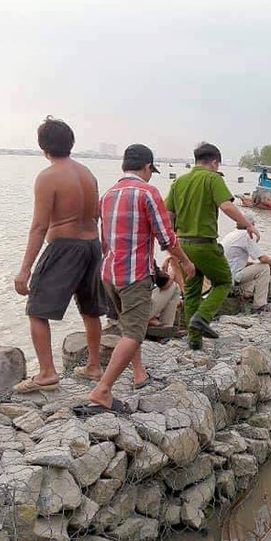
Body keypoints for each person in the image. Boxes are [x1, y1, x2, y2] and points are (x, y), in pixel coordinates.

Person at [77, 144, 195, 415]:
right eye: (151, 170)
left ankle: (139, 373)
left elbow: (105, 239)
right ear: (146, 167)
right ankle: (103, 390)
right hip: (134, 275)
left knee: (129, 325)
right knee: (134, 331)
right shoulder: (148, 192)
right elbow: (167, 239)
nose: (151, 175)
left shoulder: (108, 195)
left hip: (109, 273)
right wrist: (186, 263)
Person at [13, 117, 107, 393]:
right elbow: (97, 215)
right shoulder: (88, 173)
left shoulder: (48, 177)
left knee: (36, 309)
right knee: (91, 309)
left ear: (43, 147)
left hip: (65, 246)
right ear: (71, 143)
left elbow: (39, 226)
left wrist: (24, 270)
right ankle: (93, 365)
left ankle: (46, 372)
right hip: (92, 245)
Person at [166, 142, 259, 348]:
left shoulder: (179, 182)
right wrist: (247, 225)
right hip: (204, 245)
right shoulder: (212, 178)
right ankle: (202, 317)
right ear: (215, 162)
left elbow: (168, 216)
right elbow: (226, 205)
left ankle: (194, 340)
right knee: (224, 281)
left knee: (191, 290)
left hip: (182, 245)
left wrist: (171, 243)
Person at [221, 218, 271, 312]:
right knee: (264, 267)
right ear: (251, 226)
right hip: (232, 276)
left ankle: (247, 293)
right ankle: (260, 305)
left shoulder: (231, 234)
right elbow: (262, 258)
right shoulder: (246, 235)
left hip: (226, 273)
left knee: (251, 266)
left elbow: (234, 259)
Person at [149, 261, 182, 329]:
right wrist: (172, 274)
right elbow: (164, 284)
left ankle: (164, 326)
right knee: (173, 286)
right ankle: (165, 326)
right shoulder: (144, 256)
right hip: (136, 309)